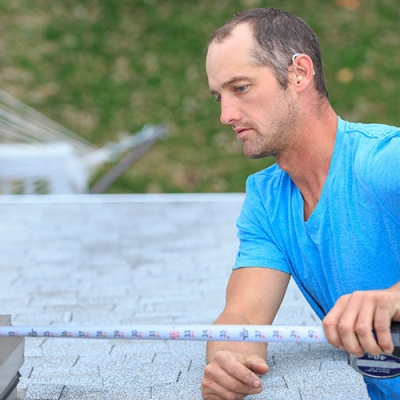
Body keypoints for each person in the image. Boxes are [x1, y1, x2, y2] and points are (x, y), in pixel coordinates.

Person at [202, 7, 400, 400]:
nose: (226, 115)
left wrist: (393, 296)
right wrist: (227, 360)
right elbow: (243, 316)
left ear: (299, 73)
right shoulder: (267, 199)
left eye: (240, 88)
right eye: (218, 96)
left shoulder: (384, 162)